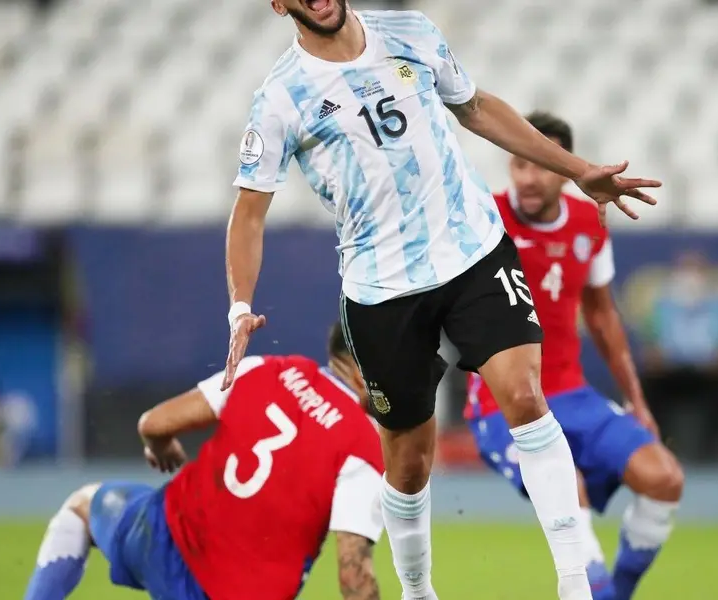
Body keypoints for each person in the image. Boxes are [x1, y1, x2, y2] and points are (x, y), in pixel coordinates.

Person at [223, 3, 660, 599]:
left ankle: (573, 582)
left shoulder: (410, 32)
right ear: (279, 4)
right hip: (382, 290)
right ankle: (418, 590)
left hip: (473, 251)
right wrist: (239, 305)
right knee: (408, 463)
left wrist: (579, 170)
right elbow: (250, 213)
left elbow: (475, 107)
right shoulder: (280, 98)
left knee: (526, 397)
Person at [464, 113, 684, 600]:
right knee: (570, 487)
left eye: (540, 165)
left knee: (664, 479)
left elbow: (602, 317)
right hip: (503, 401)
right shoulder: (482, 216)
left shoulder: (590, 222)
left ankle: (615, 593)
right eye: (519, 164)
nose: (528, 177)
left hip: (571, 393)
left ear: (564, 168)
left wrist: (637, 400)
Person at [23, 325, 384, 600]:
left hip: (165, 540)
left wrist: (160, 446)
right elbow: (353, 576)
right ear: (363, 369)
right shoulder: (364, 444)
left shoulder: (265, 368)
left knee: (82, 508)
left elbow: (153, 423)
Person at [640, 250, 718, 464]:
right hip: (671, 374)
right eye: (686, 269)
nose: (691, 276)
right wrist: (658, 359)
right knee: (647, 384)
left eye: (697, 270)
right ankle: (656, 445)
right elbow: (651, 351)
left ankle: (714, 450)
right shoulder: (662, 305)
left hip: (707, 374)